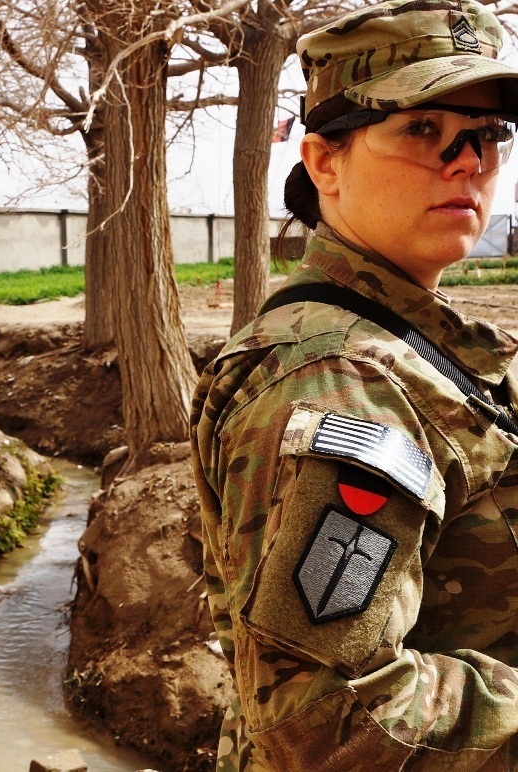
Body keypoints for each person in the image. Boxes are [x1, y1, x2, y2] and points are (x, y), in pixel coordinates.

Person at [190, 1, 518, 769]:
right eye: (420, 131)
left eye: (488, 136)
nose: (467, 162)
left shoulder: (420, 346)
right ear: (324, 160)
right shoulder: (337, 379)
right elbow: (332, 719)